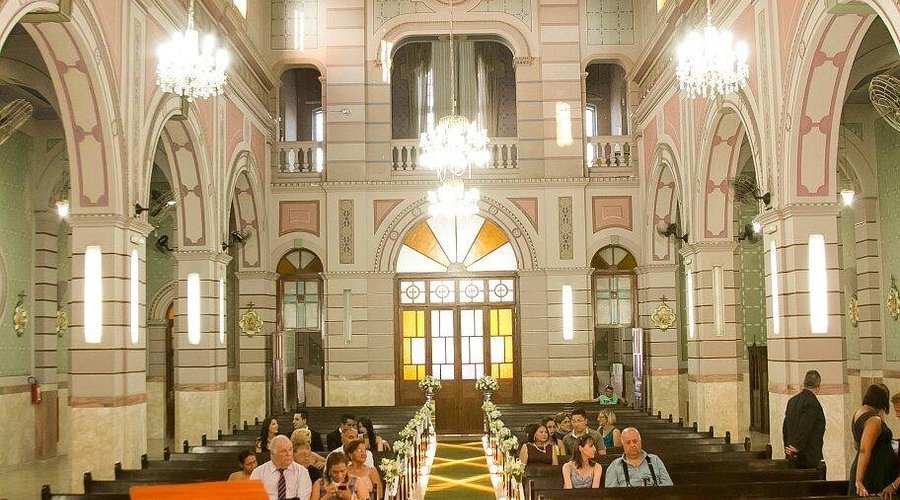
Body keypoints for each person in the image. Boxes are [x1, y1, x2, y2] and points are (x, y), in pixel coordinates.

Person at [848, 384, 900, 497]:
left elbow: (858, 446)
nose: (897, 415)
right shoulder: (874, 420)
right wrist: (859, 480)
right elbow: (864, 450)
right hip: (874, 472)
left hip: (872, 470)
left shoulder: (859, 412)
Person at [781, 370, 825, 468]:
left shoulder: (792, 401)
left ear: (804, 384)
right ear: (818, 387)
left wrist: (788, 446)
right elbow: (805, 426)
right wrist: (797, 446)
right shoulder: (812, 403)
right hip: (808, 459)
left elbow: (785, 427)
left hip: (791, 457)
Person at [250, 434, 313, 500]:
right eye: (283, 451)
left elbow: (303, 498)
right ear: (272, 453)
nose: (288, 454)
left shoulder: (302, 472)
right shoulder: (258, 473)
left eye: (290, 449)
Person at [605, 428, 673, 487]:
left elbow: (668, 486)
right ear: (623, 444)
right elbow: (611, 493)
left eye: (635, 441)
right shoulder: (615, 465)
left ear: (640, 441)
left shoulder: (655, 460)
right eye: (628, 442)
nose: (632, 445)